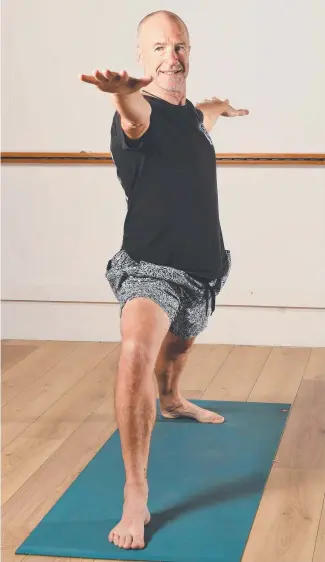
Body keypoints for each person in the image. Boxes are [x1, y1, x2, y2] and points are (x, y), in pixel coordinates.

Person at [80, 9, 249, 551]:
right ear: (139, 58)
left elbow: (203, 115)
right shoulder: (139, 112)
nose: (171, 57)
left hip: (205, 270)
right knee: (137, 348)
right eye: (158, 48)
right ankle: (135, 492)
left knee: (175, 352)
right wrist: (120, 95)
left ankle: (172, 399)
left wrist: (222, 107)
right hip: (150, 265)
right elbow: (135, 116)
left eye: (179, 47)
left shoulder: (193, 118)